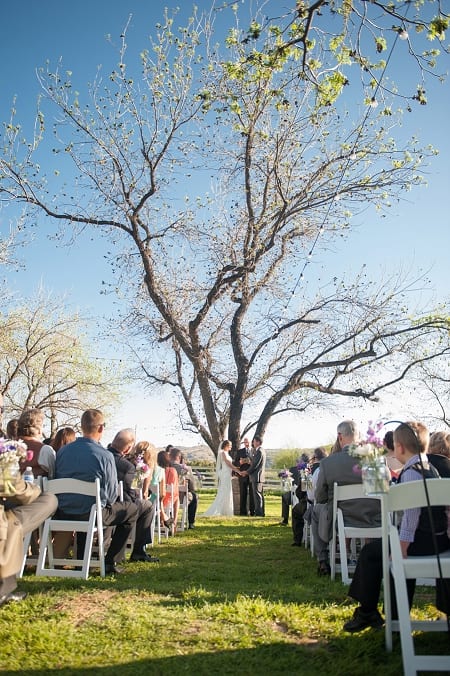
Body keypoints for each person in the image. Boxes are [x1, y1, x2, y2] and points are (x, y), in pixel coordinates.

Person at [343, 421, 450, 632]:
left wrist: (402, 547)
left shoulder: (410, 474)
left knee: (370, 553)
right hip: (439, 540)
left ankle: (367, 612)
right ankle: (394, 615)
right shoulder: (433, 470)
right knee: (382, 552)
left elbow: (411, 517)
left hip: (419, 540)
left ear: (399, 447)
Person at [55, 409, 139, 575]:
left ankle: (81, 561)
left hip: (63, 511)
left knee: (88, 506)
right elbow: (111, 494)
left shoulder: (63, 452)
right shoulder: (104, 455)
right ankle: (110, 561)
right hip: (91, 513)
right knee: (131, 510)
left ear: (81, 426)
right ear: (101, 428)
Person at [311, 420, 381, 576]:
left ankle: (322, 560)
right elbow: (384, 491)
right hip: (373, 517)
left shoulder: (328, 463)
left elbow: (320, 496)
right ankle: (372, 555)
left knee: (315, 511)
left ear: (339, 436)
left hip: (340, 520)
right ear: (359, 437)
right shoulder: (375, 459)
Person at [107, 429, 159, 563]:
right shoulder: (127, 466)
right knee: (146, 506)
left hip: (97, 504)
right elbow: (129, 495)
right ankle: (138, 550)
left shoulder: (103, 457)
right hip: (117, 506)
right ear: (129, 447)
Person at [291, 447, 327, 547]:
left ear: (314, 458)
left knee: (295, 511)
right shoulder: (330, 468)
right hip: (329, 506)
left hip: (312, 505)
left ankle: (298, 540)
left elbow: (303, 492)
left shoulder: (308, 471)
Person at [17, 408, 56, 479]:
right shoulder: (45, 450)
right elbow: (52, 476)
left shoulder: (7, 447)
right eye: (43, 426)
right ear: (39, 429)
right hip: (37, 489)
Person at [203, 440, 235, 517]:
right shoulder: (223, 453)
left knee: (227, 491)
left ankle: (226, 510)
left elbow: (230, 462)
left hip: (227, 474)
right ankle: (219, 509)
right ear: (225, 446)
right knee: (224, 491)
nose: (231, 447)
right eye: (229, 445)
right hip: (225, 474)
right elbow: (228, 463)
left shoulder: (227, 453)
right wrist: (236, 469)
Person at [169, 447, 198, 529]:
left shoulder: (163, 467)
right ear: (179, 457)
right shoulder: (185, 469)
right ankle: (191, 522)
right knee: (194, 496)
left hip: (164, 498)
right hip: (179, 497)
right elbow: (192, 486)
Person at [242, 435, 266, 517]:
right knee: (259, 495)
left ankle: (259, 513)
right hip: (258, 477)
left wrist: (246, 472)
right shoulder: (259, 451)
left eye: (254, 441)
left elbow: (255, 465)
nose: (253, 443)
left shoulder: (259, 451)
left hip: (257, 476)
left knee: (257, 496)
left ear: (258, 442)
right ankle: (261, 512)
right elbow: (254, 461)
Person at [279, 454, 306, 526]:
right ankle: (285, 519)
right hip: (298, 492)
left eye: (299, 461)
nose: (297, 463)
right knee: (285, 496)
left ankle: (285, 519)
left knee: (285, 497)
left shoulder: (301, 470)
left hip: (298, 493)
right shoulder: (306, 469)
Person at [158, 449, 179, 533]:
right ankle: (175, 522)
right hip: (167, 500)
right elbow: (174, 490)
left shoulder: (156, 470)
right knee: (177, 498)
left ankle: (162, 521)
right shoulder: (172, 470)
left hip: (156, 500)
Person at [233, 437, 254, 516]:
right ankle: (242, 512)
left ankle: (252, 511)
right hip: (242, 475)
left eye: (247, 441)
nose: (246, 443)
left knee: (252, 494)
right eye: (244, 442)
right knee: (243, 493)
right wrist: (240, 463)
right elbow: (235, 463)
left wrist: (250, 462)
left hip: (251, 475)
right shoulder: (240, 452)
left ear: (249, 442)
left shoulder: (253, 451)